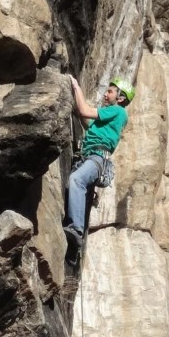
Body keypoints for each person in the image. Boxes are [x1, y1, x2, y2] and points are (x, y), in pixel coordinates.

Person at [64, 74, 134, 249]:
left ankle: (75, 230)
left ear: (120, 97)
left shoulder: (118, 111)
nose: (105, 94)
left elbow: (85, 111)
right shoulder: (111, 117)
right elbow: (89, 123)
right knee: (77, 190)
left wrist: (76, 87)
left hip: (96, 158)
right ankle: (75, 245)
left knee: (76, 180)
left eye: (110, 92)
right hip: (91, 158)